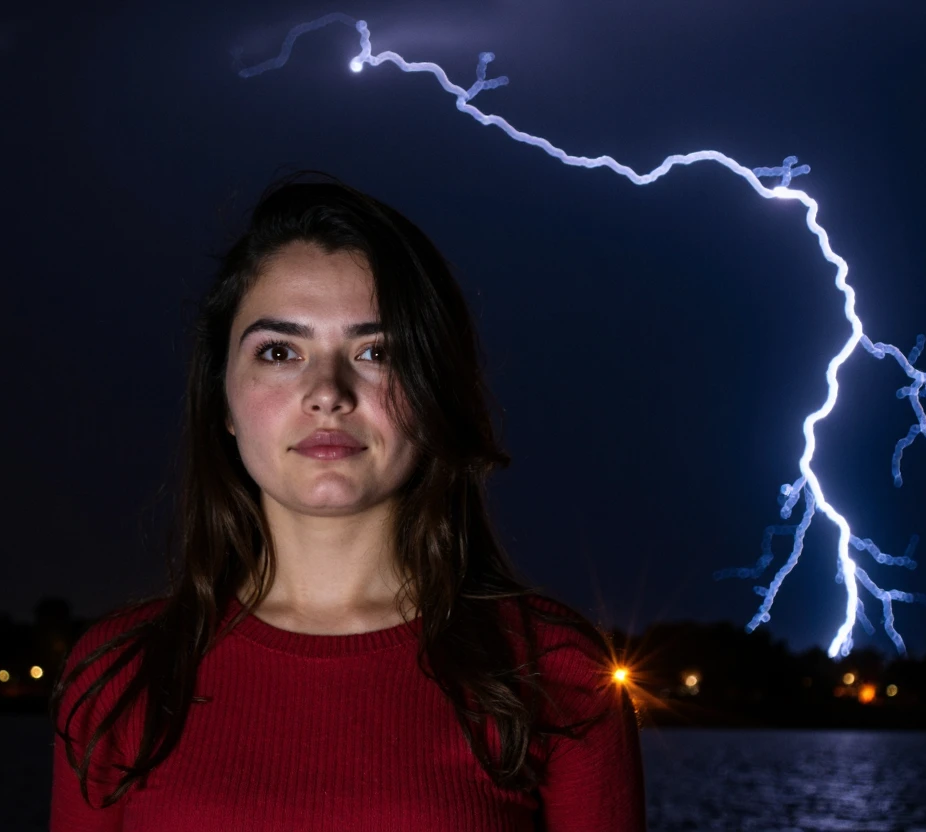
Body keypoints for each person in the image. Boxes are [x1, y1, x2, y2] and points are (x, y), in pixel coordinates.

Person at [49, 171, 647, 831]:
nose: (328, 391)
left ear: (432, 390)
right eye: (279, 351)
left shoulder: (554, 671)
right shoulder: (121, 676)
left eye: (375, 351)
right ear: (222, 397)